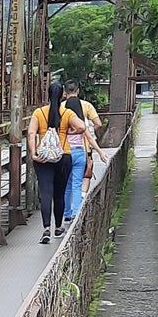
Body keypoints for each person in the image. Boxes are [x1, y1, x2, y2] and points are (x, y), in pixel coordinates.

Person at [28, 80, 99, 243]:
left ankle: (46, 228)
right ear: (62, 95)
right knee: (59, 193)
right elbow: (82, 127)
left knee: (45, 192)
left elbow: (31, 134)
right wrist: (69, 131)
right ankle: (59, 227)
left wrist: (33, 153)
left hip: (43, 156)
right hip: (63, 155)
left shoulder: (39, 113)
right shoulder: (67, 113)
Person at [61, 80, 103, 221]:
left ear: (64, 92)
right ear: (78, 91)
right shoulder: (85, 109)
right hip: (82, 150)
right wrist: (99, 151)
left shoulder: (60, 109)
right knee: (79, 182)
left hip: (65, 152)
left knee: (66, 183)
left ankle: (66, 213)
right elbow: (97, 124)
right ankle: (76, 212)